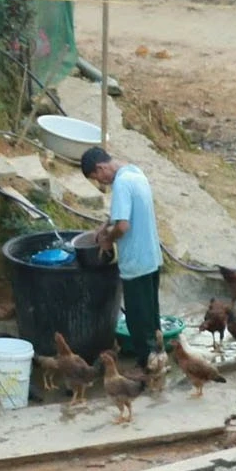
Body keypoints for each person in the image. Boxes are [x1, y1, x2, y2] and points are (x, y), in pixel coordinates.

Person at [80, 146, 163, 369]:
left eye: (97, 177)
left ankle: (148, 367)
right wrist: (106, 225)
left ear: (101, 167)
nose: (101, 183)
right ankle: (159, 357)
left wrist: (108, 239)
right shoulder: (134, 172)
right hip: (151, 258)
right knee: (152, 316)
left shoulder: (121, 184)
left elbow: (123, 226)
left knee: (139, 321)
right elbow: (122, 214)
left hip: (136, 263)